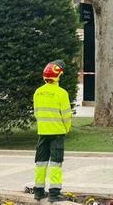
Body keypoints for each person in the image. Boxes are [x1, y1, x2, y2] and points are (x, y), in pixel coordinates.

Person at [33, 60, 73, 202]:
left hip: (42, 133)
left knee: (40, 162)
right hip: (57, 134)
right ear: (58, 76)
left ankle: (38, 192)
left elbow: (36, 113)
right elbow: (66, 115)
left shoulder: (38, 92)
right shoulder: (61, 93)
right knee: (56, 163)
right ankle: (54, 194)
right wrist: (66, 128)